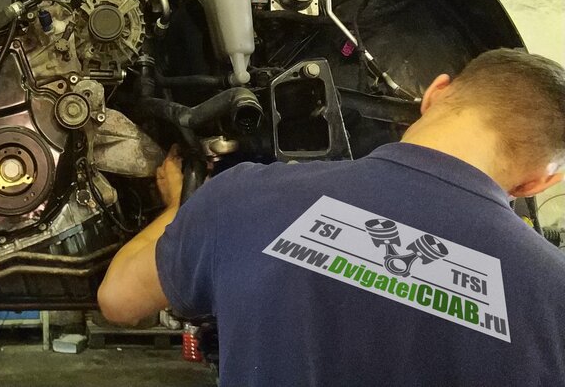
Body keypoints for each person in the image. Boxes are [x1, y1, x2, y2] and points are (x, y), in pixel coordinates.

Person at [98, 48, 565, 385]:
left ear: (435, 93)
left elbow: (118, 299)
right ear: (540, 182)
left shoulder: (242, 196)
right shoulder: (555, 291)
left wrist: (181, 207)